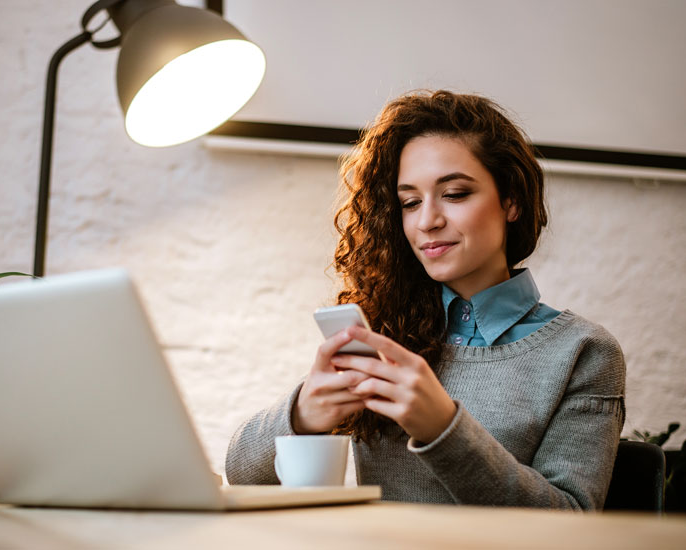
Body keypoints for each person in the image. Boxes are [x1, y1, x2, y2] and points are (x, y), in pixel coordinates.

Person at [225, 89, 625, 509]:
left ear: (511, 201)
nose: (427, 221)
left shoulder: (583, 352)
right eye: (410, 202)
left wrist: (442, 428)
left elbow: (571, 524)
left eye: (454, 194)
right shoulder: (388, 331)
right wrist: (303, 414)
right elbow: (240, 473)